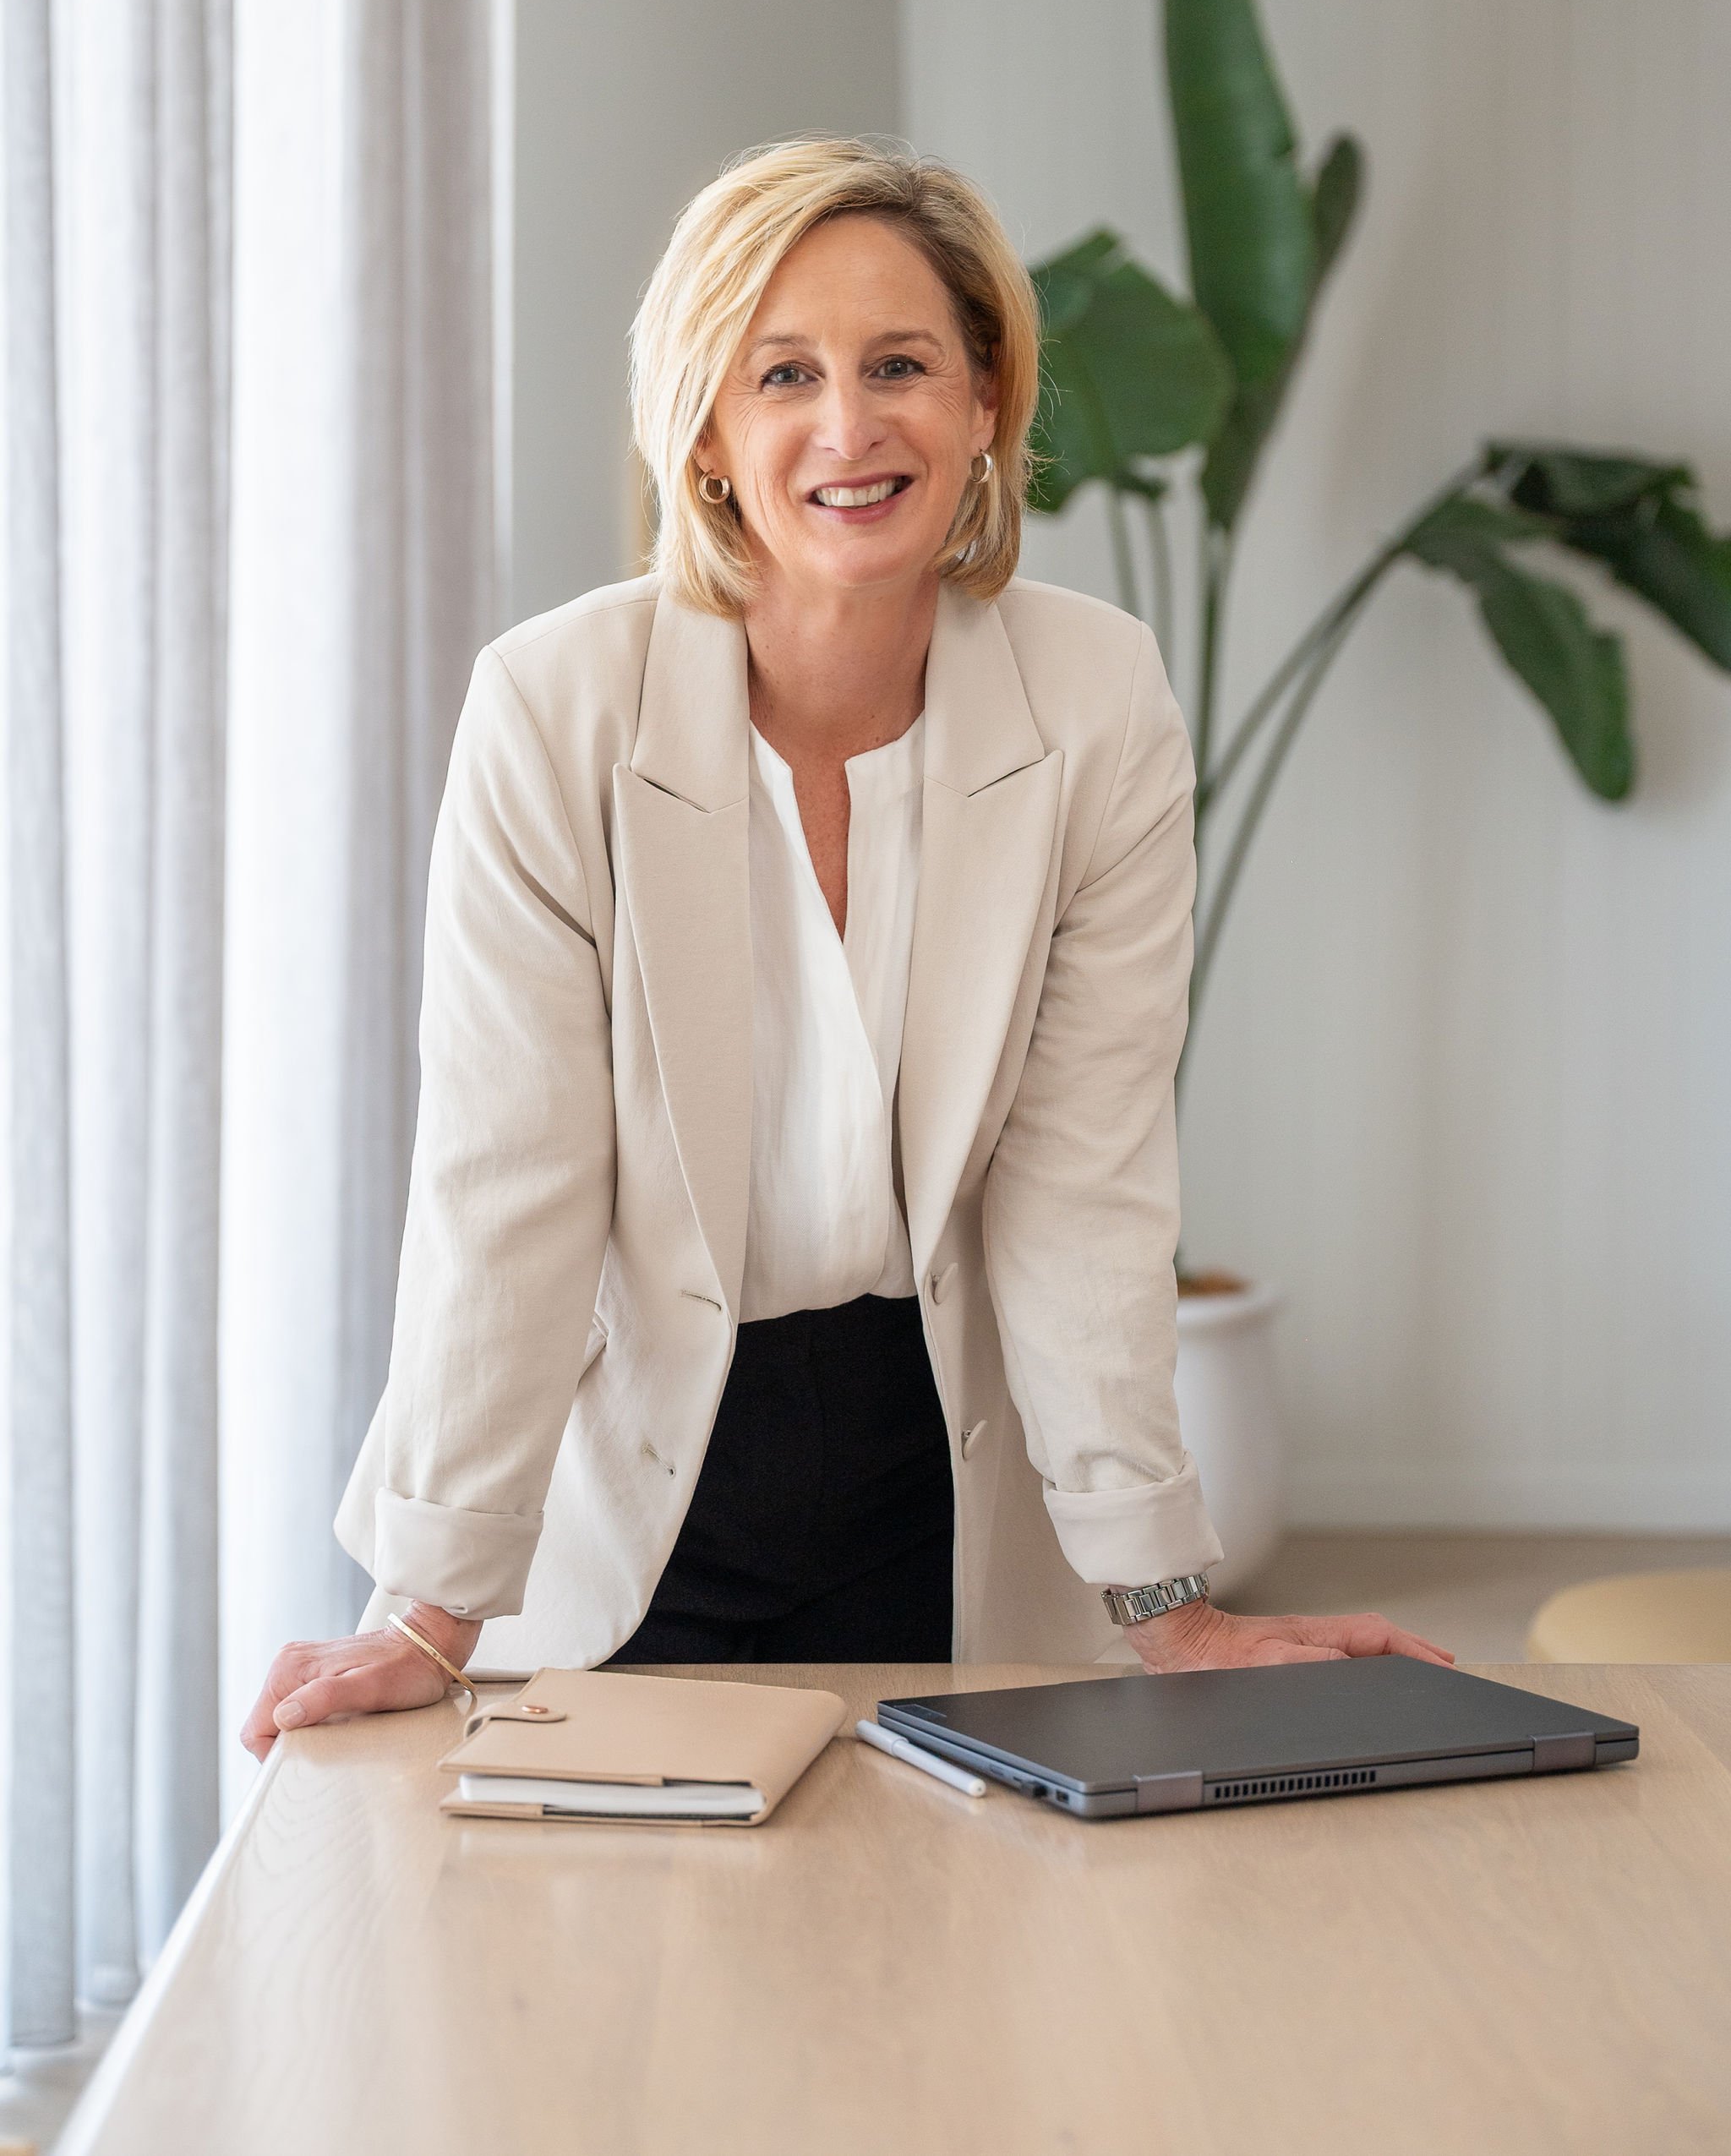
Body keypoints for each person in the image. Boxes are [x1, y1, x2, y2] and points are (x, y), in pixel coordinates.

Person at [243, 137, 1450, 1758]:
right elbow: (507, 1178)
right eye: (783, 373)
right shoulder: (553, 710)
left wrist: (1171, 1607)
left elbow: (1081, 1173)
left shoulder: (1098, 704)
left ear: (986, 406)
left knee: (940, 1973)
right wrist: (431, 1602)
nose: (850, 425)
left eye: (904, 366)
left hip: (934, 1467)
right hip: (634, 1482)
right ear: (710, 436)